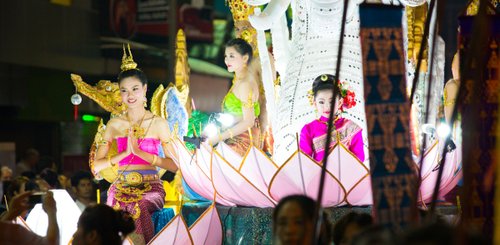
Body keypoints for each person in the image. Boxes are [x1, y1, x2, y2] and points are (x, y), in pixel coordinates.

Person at [92, 46, 178, 243]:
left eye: (135, 89)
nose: (129, 95)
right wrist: (124, 155)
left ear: (145, 90)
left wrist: (141, 153)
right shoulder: (115, 124)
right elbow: (97, 165)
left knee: (137, 206)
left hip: (151, 188)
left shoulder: (158, 123)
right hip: (121, 187)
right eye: (124, 90)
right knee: (116, 208)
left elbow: (174, 165)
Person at [206, 38, 263, 155]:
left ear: (245, 58)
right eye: (226, 56)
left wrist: (219, 137)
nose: (227, 60)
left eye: (232, 56)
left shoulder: (245, 84)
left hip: (243, 139)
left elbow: (249, 121)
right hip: (233, 132)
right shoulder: (239, 79)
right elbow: (241, 115)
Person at [299, 74, 365, 162]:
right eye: (321, 102)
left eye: (332, 101)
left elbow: (359, 158)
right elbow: (304, 161)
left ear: (340, 102)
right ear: (315, 103)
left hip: (347, 174)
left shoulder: (352, 127)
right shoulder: (308, 130)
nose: (327, 106)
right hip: (319, 174)